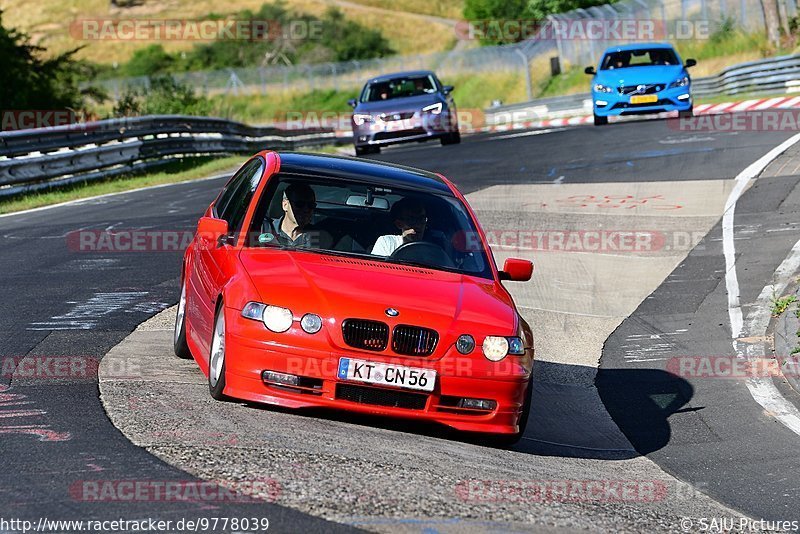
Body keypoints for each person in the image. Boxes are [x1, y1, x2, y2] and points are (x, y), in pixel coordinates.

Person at [261, 183, 331, 248]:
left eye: (311, 205)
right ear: (285, 205)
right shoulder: (264, 228)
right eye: (299, 204)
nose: (306, 210)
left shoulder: (320, 237)